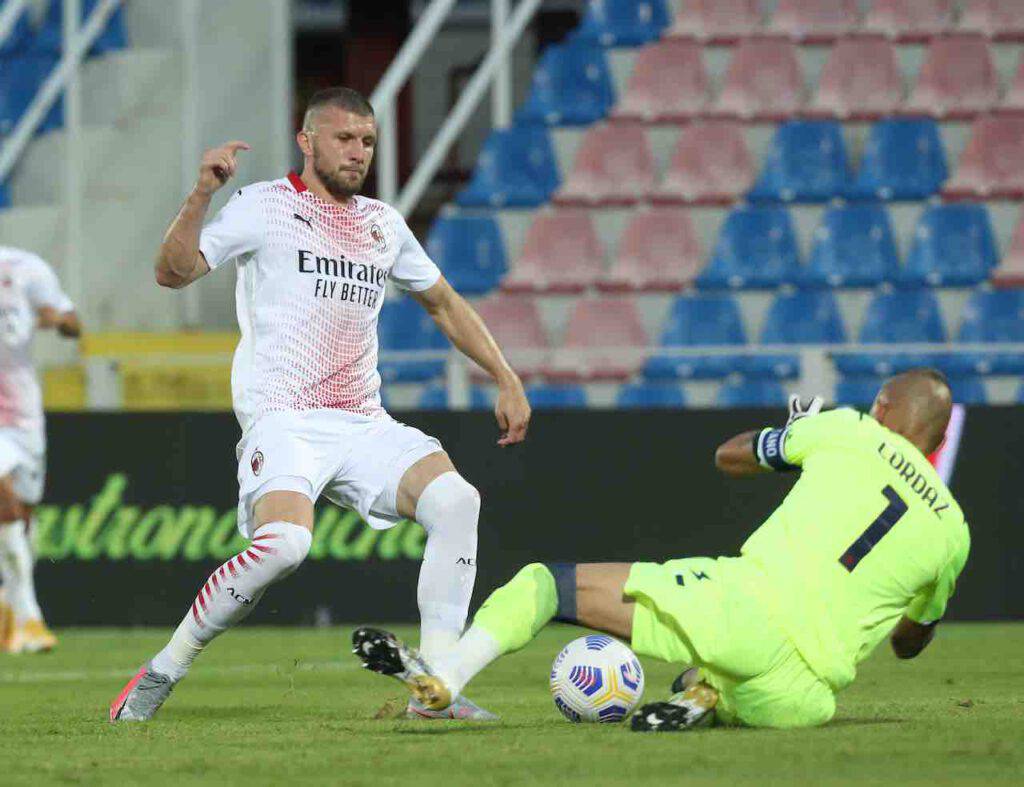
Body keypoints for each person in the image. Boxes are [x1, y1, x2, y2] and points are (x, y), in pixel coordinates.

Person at [110, 87, 531, 722]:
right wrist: (203, 194)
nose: (358, 152)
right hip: (283, 418)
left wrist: (506, 375)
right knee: (284, 547)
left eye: (367, 141)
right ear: (307, 141)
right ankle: (162, 671)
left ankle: (437, 690)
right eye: (343, 138)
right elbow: (172, 273)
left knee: (457, 500)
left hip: (362, 421)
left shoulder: (382, 224)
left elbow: (443, 302)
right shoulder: (264, 206)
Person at [353, 369, 970, 731]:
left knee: (545, 584)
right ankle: (701, 697)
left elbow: (730, 456)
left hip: (742, 612)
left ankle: (444, 679)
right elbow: (910, 642)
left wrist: (792, 437)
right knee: (721, 676)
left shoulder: (848, 429)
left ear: (882, 409)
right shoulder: (954, 533)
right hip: (805, 697)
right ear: (940, 437)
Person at [0, 245, 81, 654]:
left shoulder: (25, 268)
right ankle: (29, 617)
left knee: (21, 516)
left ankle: (8, 611)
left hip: (22, 417)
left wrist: (58, 321)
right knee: (4, 500)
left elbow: (73, 323)